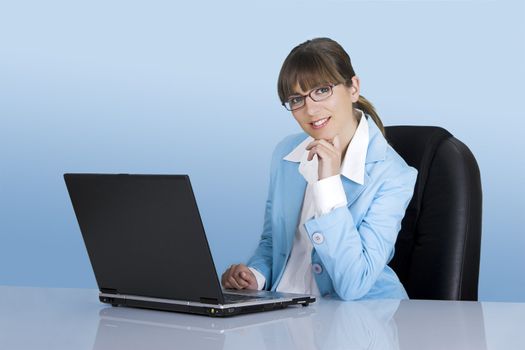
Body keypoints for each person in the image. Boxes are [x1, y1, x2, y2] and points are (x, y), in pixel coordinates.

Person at [221, 38, 417, 300]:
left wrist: (328, 186)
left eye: (322, 90)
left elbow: (354, 284)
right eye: (296, 99)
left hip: (358, 324)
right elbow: (272, 243)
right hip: (284, 318)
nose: (311, 109)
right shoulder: (286, 155)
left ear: (353, 88)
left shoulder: (394, 175)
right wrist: (254, 276)